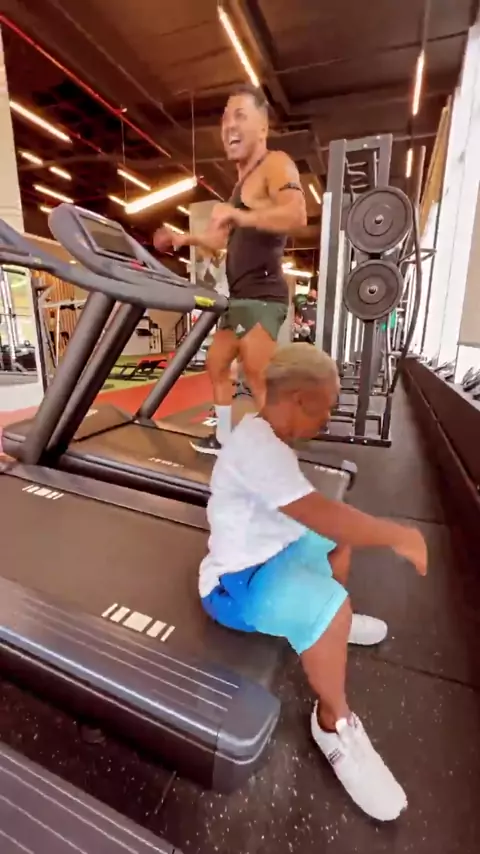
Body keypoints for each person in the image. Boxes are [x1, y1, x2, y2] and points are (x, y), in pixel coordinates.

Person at [199, 344, 428, 821]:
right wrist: (398, 536)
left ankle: (327, 622)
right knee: (330, 603)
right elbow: (324, 514)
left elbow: (327, 524)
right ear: (299, 399)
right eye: (325, 408)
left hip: (273, 550)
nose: (327, 418)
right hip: (234, 585)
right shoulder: (260, 449)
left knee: (337, 548)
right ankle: (333, 722)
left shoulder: (264, 431)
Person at [154, 83, 306, 454]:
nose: (229, 126)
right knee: (217, 363)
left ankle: (278, 450)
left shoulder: (276, 163)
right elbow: (220, 239)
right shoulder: (240, 185)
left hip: (263, 295)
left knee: (256, 374)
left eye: (240, 116)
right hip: (239, 297)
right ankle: (223, 437)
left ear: (263, 127)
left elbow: (296, 214)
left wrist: (239, 215)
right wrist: (183, 239)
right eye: (225, 119)